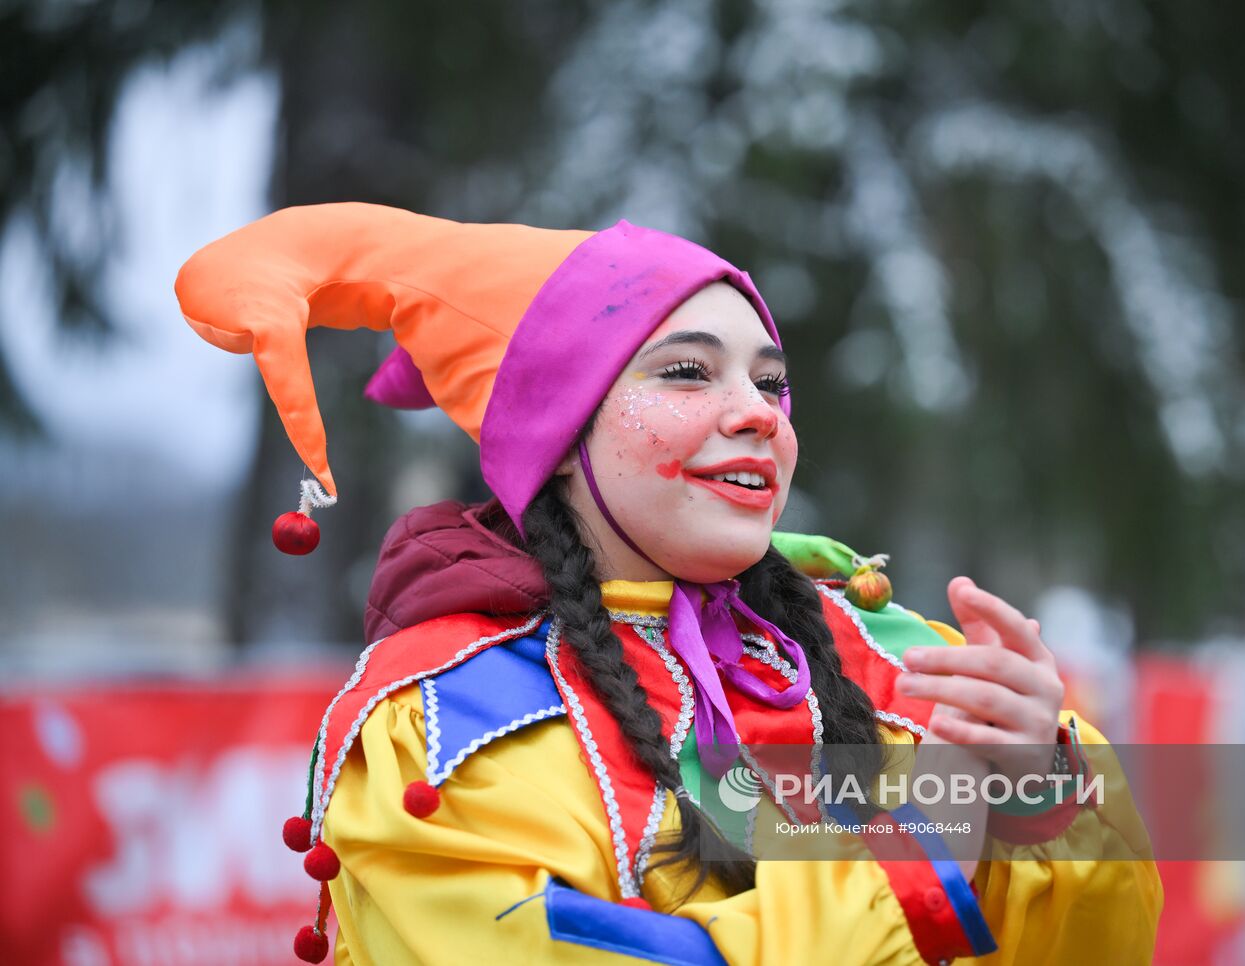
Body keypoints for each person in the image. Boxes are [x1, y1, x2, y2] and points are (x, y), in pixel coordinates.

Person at [176, 203, 1161, 964]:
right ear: (558, 441)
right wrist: (931, 852)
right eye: (688, 373)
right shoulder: (445, 725)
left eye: (770, 384)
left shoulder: (881, 655)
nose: (757, 416)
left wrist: (1047, 794)